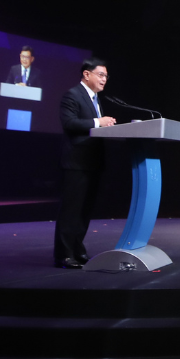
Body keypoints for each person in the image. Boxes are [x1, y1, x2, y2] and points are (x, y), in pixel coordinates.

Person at [53, 58, 117, 269]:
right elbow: (70, 123)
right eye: (101, 75)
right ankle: (64, 254)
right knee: (71, 211)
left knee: (85, 211)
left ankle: (77, 250)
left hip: (93, 162)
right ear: (86, 74)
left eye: (106, 76)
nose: (104, 79)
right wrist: (100, 122)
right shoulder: (72, 95)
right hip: (76, 163)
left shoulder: (95, 99)